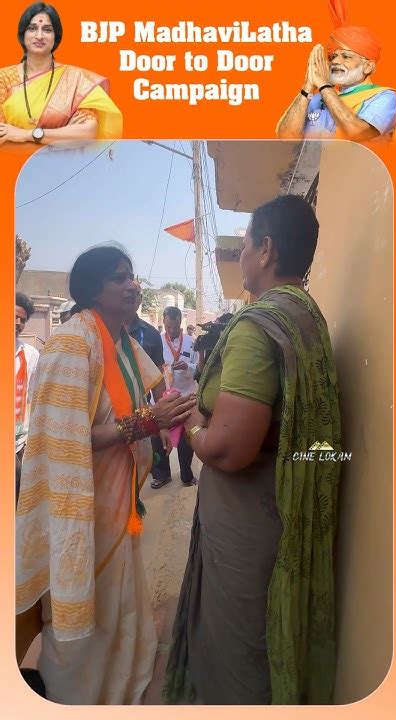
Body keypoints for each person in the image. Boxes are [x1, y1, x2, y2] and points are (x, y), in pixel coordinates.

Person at [163, 195, 341, 705]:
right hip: (282, 506)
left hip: (249, 516)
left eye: (243, 245)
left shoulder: (256, 327)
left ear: (265, 250)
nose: (239, 256)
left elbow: (229, 448)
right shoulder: (307, 316)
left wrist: (192, 427)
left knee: (239, 641)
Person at [15, 246, 196, 705]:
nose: (133, 284)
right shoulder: (71, 343)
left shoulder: (122, 342)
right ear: (93, 289)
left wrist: (172, 412)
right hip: (83, 506)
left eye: (132, 276)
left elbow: (151, 398)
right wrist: (145, 423)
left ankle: (125, 675)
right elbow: (66, 439)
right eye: (120, 278)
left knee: (119, 597)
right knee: (85, 604)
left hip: (118, 502)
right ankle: (78, 695)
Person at [276, 0, 396, 142]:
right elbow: (286, 137)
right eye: (333, 56)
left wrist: (324, 86)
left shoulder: (384, 97)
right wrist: (308, 87)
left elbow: (357, 132)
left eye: (346, 56)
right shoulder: (316, 98)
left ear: (368, 67)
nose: (335, 61)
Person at [0, 3, 122, 147]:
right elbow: (3, 138)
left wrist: (28, 134)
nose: (39, 36)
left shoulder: (76, 79)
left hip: (63, 167)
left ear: (56, 37)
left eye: (47, 30)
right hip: (10, 166)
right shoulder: (4, 78)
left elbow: (87, 133)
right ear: (23, 34)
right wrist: (63, 134)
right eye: (32, 29)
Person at [126, 281, 172, 486]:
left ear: (140, 300)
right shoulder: (101, 330)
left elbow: (157, 376)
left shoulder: (151, 333)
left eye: (136, 294)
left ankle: (161, 474)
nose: (132, 297)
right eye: (128, 292)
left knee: (153, 440)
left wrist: (163, 421)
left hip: (141, 403)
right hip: (109, 409)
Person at [151, 306, 198, 489]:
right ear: (164, 322)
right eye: (169, 326)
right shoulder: (157, 342)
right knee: (158, 435)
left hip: (185, 395)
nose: (172, 330)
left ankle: (187, 475)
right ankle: (162, 475)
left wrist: (188, 366)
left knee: (188, 437)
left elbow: (198, 367)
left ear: (181, 322)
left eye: (176, 326)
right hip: (162, 396)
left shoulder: (191, 342)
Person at [15, 292, 39, 503]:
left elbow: (33, 397)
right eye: (14, 316)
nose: (18, 323)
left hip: (19, 443)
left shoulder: (30, 355)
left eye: (22, 320)